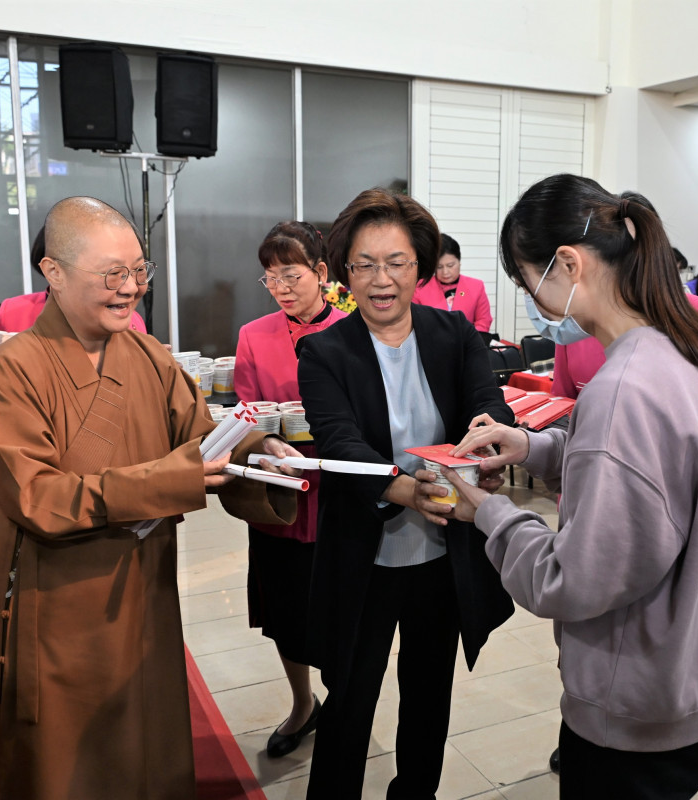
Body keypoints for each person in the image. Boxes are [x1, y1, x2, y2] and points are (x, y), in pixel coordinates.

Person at [0, 197, 302, 800]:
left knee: (148, 733)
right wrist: (168, 480)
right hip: (62, 597)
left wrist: (256, 451)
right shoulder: (9, 373)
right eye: (112, 275)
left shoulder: (148, 356)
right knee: (70, 759)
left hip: (144, 583)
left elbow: (199, 436)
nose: (130, 290)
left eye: (138, 272)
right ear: (54, 273)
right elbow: (37, 497)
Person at [444, 174, 698, 800]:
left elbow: (575, 579)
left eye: (528, 282)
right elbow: (650, 481)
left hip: (638, 697)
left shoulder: (625, 386)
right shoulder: (688, 348)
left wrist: (488, 513)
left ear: (568, 263)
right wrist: (534, 447)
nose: (533, 301)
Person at [297, 187, 514, 798]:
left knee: (427, 696)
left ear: (420, 265)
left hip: (442, 556)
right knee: (351, 697)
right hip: (365, 555)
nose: (380, 279)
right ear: (344, 274)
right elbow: (338, 441)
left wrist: (485, 445)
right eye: (364, 264)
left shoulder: (454, 334)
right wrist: (402, 488)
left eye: (395, 262)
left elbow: (486, 401)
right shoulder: (324, 350)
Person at [233, 220, 346, 758]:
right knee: (285, 611)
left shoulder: (355, 329)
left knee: (340, 610)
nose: (280, 287)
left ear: (321, 273)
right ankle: (304, 703)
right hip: (281, 499)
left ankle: (346, 702)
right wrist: (265, 445)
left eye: (291, 275)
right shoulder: (255, 335)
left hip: (337, 499)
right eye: (270, 278)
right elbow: (248, 413)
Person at [0, 225, 148, 333]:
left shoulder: (131, 319)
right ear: (54, 271)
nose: (131, 287)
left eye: (138, 269)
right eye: (112, 272)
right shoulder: (13, 313)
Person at [411, 232, 492, 332]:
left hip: (468, 344)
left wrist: (467, 339)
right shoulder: (420, 287)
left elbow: (483, 321)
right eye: (439, 267)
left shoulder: (476, 286)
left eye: (450, 265)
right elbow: (414, 322)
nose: (445, 272)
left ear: (459, 261)